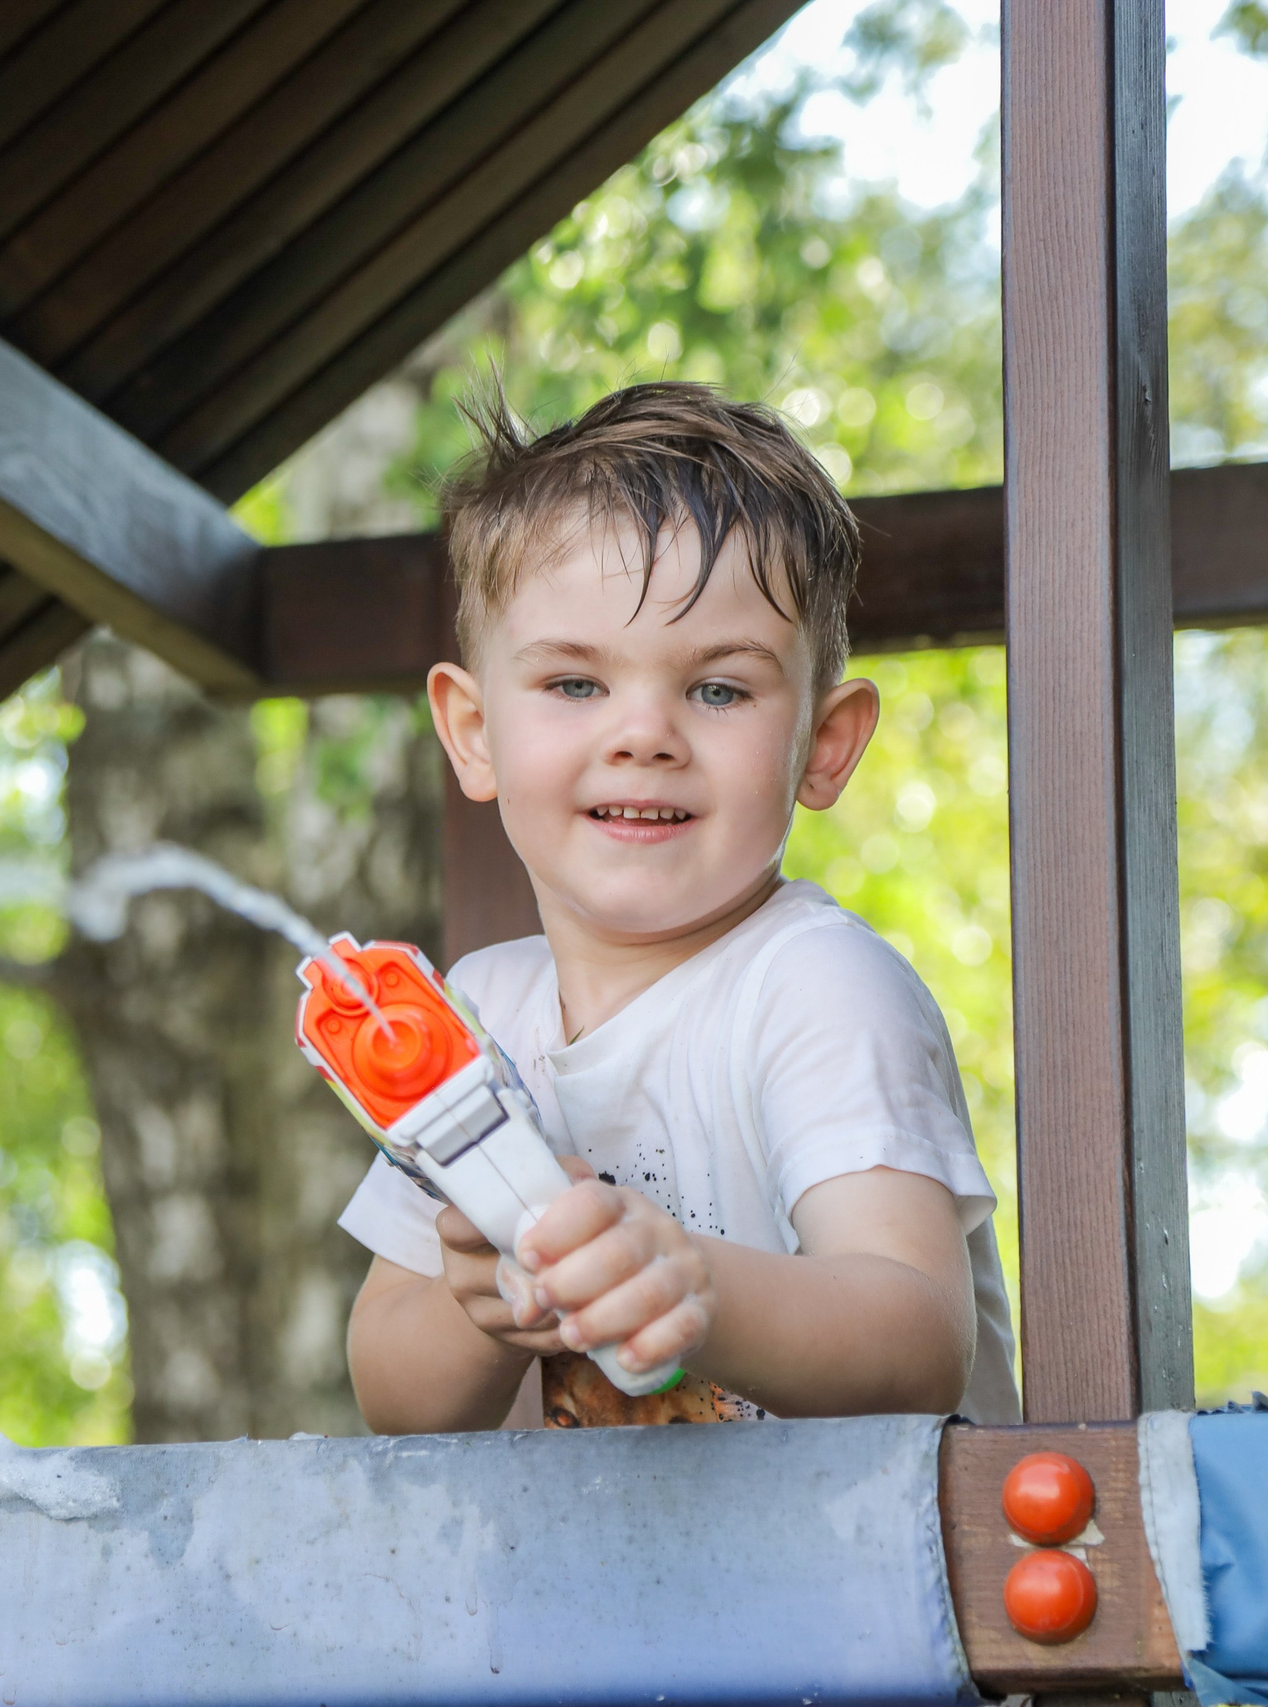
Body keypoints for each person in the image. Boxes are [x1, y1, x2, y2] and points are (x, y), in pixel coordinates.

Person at [341, 381, 1021, 1434]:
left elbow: (915, 1338)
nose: (643, 734)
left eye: (718, 690)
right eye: (574, 685)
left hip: (884, 1588)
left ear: (824, 745)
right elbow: (393, 1395)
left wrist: (691, 1285)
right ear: (473, 732)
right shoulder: (474, 1015)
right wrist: (475, 1306)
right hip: (632, 1596)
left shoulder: (814, 987)